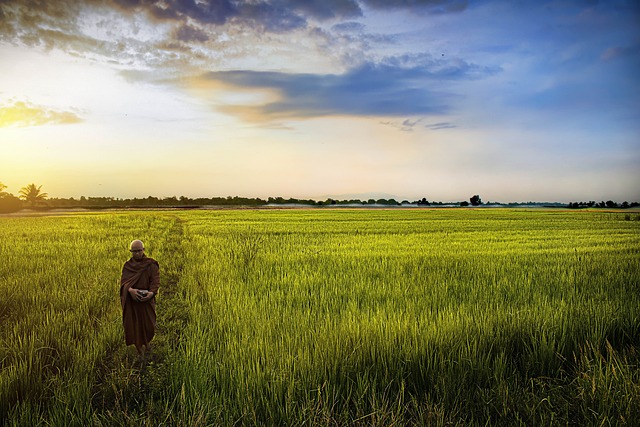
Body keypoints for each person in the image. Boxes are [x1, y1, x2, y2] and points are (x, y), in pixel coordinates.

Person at [120, 240, 160, 356]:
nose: (137, 253)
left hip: (147, 300)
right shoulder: (127, 266)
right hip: (132, 302)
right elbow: (123, 283)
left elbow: (155, 281)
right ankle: (141, 353)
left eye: (139, 251)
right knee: (134, 326)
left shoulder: (151, 264)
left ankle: (147, 344)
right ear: (130, 252)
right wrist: (131, 290)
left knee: (149, 325)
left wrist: (151, 293)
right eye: (134, 251)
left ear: (143, 250)